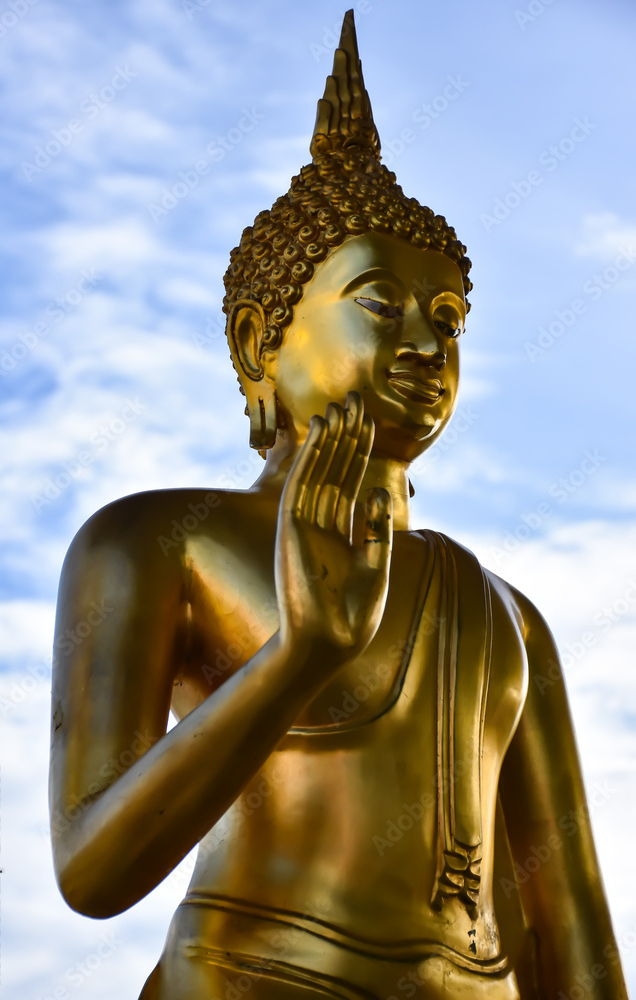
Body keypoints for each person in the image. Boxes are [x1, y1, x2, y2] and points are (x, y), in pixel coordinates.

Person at [49, 12, 627, 999]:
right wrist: (298, 655)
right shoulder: (161, 542)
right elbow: (91, 870)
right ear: (253, 344)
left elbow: (572, 932)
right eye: (377, 302)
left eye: (445, 318)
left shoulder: (502, 613)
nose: (424, 344)